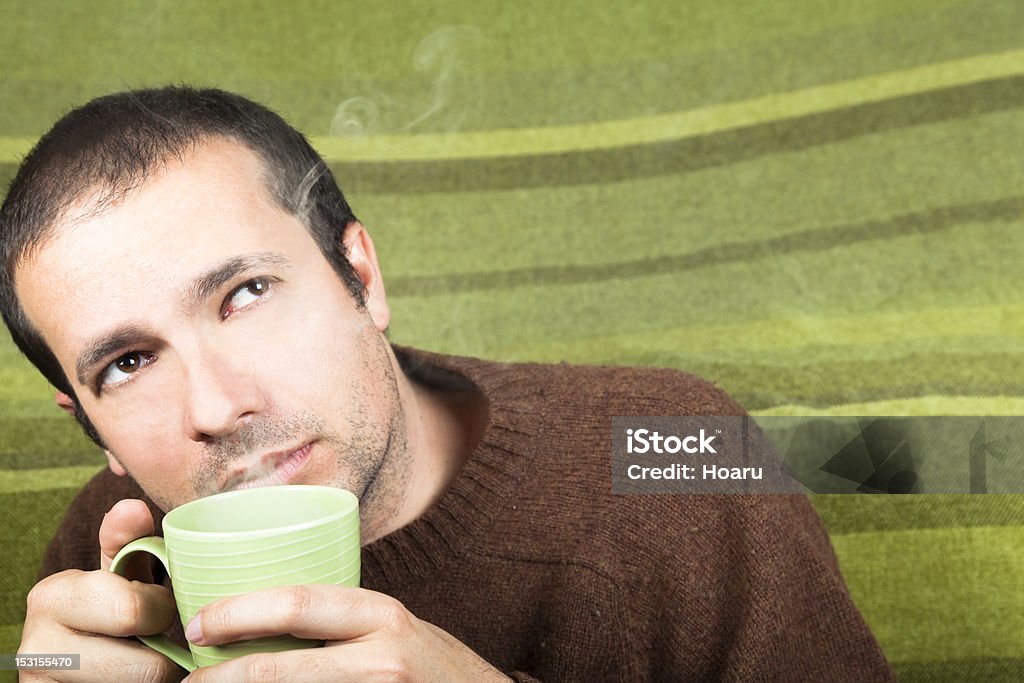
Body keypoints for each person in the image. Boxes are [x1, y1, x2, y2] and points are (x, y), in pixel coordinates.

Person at [1, 87, 895, 681]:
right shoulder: (111, 558)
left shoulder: (679, 446)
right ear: (92, 427)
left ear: (362, 276)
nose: (216, 406)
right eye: (128, 363)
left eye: (245, 294)